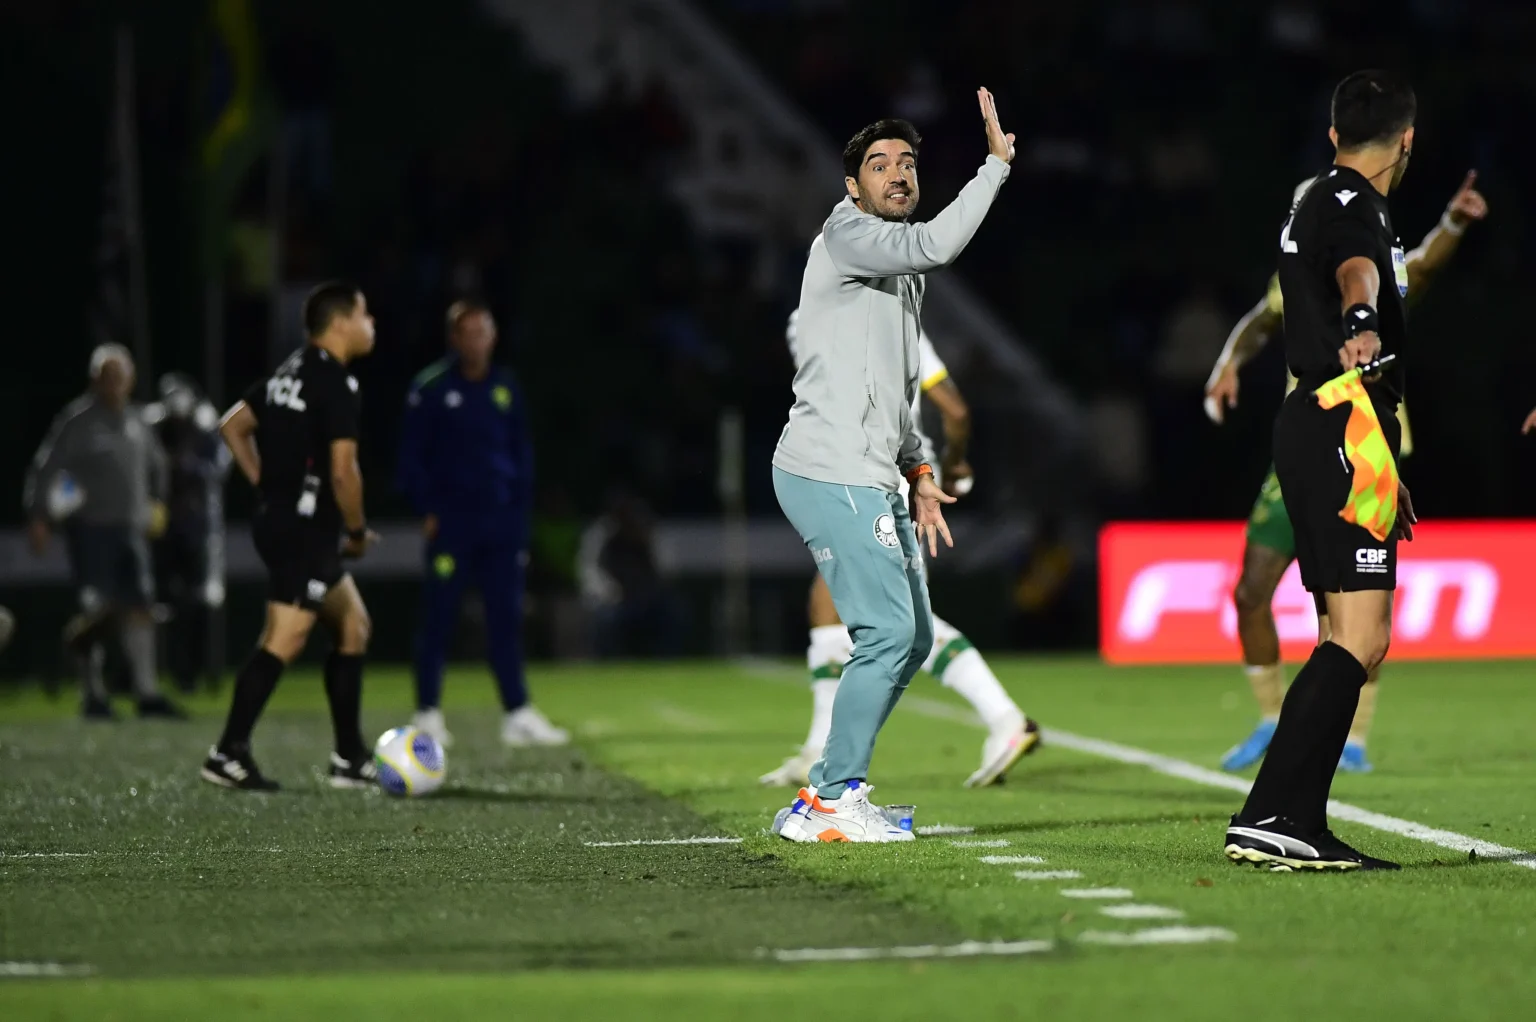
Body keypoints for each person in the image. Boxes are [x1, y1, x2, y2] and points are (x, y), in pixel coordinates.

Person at [771, 91, 1014, 843]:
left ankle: (836, 792)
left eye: (907, 162)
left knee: (909, 637)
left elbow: (897, 387)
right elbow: (938, 243)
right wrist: (995, 168)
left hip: (873, 471)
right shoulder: (848, 235)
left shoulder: (899, 276)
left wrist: (918, 472)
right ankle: (830, 798)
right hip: (828, 469)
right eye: (879, 165)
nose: (897, 173)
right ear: (853, 187)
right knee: (884, 633)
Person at [1206, 171, 1487, 774]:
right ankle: (1271, 721)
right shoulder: (1295, 282)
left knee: (1351, 609)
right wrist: (1228, 363)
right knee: (1255, 592)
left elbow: (1424, 266)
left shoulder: (1372, 271)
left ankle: (1351, 736)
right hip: (1304, 450)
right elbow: (1259, 319)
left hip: (1367, 448)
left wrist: (1455, 223)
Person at [1224, 70, 1418, 871]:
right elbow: (1355, 274)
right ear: (1409, 140)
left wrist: (1380, 455)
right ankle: (1279, 815)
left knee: (1353, 639)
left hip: (1339, 424)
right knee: (1361, 637)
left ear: (1336, 133)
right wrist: (1364, 319)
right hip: (1335, 417)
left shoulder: (1328, 197)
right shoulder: (1351, 205)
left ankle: (1282, 815)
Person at [761, 312, 1038, 790]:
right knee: (831, 609)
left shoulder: (835, 318)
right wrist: (952, 465)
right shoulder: (885, 313)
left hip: (879, 473)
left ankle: (1004, 718)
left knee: (899, 620)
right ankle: (818, 748)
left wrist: (940, 470)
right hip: (881, 470)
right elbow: (953, 412)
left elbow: (954, 410)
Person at [201, 282, 379, 791]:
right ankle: (227, 752)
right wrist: (358, 531)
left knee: (353, 626)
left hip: (287, 522)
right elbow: (344, 473)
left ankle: (348, 757)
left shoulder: (290, 371)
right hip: (305, 531)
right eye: (366, 315)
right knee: (287, 636)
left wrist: (263, 481)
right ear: (341, 322)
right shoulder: (335, 383)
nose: (372, 325)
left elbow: (233, 425)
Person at [396, 300, 567, 748]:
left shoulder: (505, 387)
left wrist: (521, 519)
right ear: (454, 338)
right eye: (468, 333)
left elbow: (521, 457)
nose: (477, 341)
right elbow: (411, 459)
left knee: (505, 619)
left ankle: (517, 713)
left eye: (483, 332)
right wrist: (426, 509)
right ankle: (428, 711)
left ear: (493, 336)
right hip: (451, 523)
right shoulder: (430, 387)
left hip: (501, 526)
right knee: (439, 616)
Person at [23, 344, 182, 720]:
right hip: (91, 530)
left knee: (141, 607)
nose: (113, 383)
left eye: (120, 376)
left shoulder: (137, 421)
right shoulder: (77, 421)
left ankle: (146, 691)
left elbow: (158, 467)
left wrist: (159, 503)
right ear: (94, 379)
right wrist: (40, 516)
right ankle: (92, 694)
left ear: (130, 380)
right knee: (96, 611)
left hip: (132, 530)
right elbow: (48, 469)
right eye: (106, 376)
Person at [146, 372, 231, 693]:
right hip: (163, 526)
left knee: (197, 603)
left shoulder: (205, 426)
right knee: (160, 600)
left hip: (196, 527)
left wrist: (187, 465)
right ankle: (153, 671)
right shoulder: (156, 425)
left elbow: (219, 466)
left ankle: (194, 672)